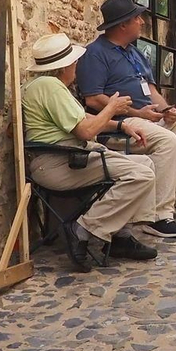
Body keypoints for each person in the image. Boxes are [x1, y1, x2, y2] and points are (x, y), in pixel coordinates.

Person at [74, 0, 176, 237]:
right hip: (121, 122)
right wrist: (137, 112)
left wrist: (165, 110)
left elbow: (151, 90)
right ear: (122, 25)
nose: (142, 21)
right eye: (136, 18)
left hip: (148, 115)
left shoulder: (134, 52)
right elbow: (93, 99)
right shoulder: (94, 54)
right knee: (166, 141)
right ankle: (157, 215)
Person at [21, 32, 161, 264]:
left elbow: (81, 118)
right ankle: (84, 229)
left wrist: (121, 125)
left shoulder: (41, 86)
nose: (76, 66)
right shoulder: (50, 87)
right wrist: (113, 107)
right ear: (64, 66)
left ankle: (121, 236)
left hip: (63, 160)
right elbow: (85, 131)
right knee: (142, 175)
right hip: (61, 163)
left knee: (145, 163)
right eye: (74, 62)